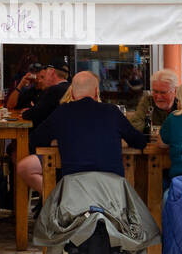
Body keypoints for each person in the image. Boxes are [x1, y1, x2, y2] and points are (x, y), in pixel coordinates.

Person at [18, 71, 147, 193]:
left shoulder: (62, 113)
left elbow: (35, 140)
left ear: (72, 94)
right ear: (97, 92)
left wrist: (59, 140)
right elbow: (139, 141)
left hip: (75, 191)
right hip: (112, 191)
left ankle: (56, 201)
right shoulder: (112, 111)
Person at [127, 68, 179, 133]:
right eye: (155, 91)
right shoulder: (148, 101)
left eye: (163, 92)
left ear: (175, 91)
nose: (158, 96)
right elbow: (135, 125)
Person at [22, 64, 69, 128]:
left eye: (43, 77)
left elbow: (35, 113)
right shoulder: (70, 87)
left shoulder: (54, 90)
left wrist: (26, 112)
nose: (40, 80)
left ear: (52, 72)